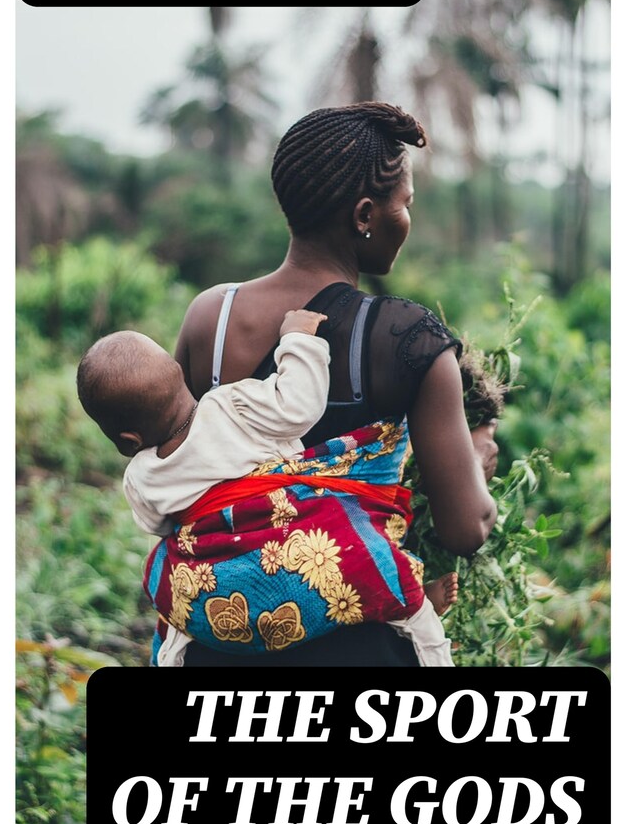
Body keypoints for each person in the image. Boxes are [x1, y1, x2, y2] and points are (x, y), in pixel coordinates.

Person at [165, 101, 499, 667]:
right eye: (406, 205)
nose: (407, 220)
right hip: (358, 654)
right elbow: (466, 528)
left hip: (219, 644)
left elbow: (179, 471)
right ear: (365, 214)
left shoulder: (210, 320)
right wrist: (477, 452)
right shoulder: (408, 338)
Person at [76, 308, 458, 667]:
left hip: (221, 594)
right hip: (301, 557)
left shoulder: (141, 475)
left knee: (172, 607)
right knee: (382, 568)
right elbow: (298, 405)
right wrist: (298, 337)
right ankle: (426, 630)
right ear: (178, 373)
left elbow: (160, 527)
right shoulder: (231, 405)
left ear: (127, 441)